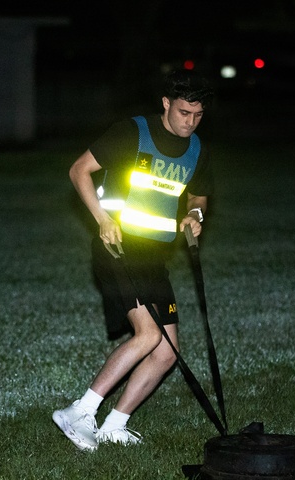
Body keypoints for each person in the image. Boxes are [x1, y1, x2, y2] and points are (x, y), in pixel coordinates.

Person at [53, 69, 216, 451]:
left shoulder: (197, 150)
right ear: (165, 104)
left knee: (166, 351)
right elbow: (79, 170)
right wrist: (102, 218)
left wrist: (196, 216)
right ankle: (80, 410)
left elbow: (199, 196)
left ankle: (115, 423)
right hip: (119, 247)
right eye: (182, 113)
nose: (190, 122)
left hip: (155, 255)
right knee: (148, 335)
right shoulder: (132, 132)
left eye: (197, 115)